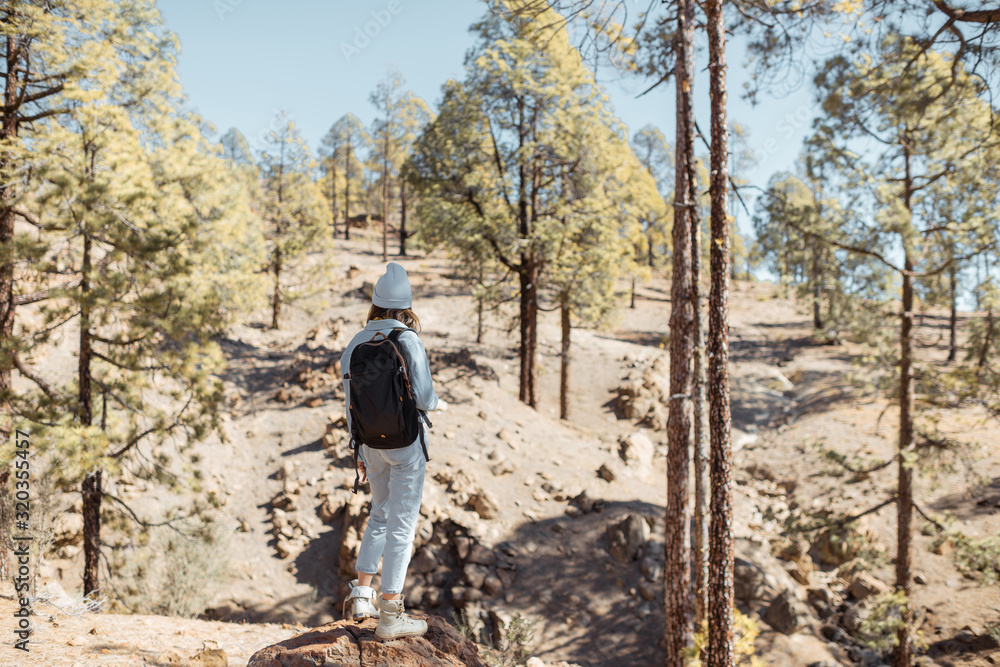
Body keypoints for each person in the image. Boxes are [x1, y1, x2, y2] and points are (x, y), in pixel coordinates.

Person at [339, 262, 447, 640]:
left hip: (370, 445)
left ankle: (362, 595)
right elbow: (424, 395)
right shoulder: (407, 339)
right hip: (405, 446)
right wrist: (438, 405)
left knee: (379, 515)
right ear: (406, 306)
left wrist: (357, 448)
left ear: (375, 303)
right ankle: (391, 615)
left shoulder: (355, 343)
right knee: (403, 525)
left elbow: (349, 400)